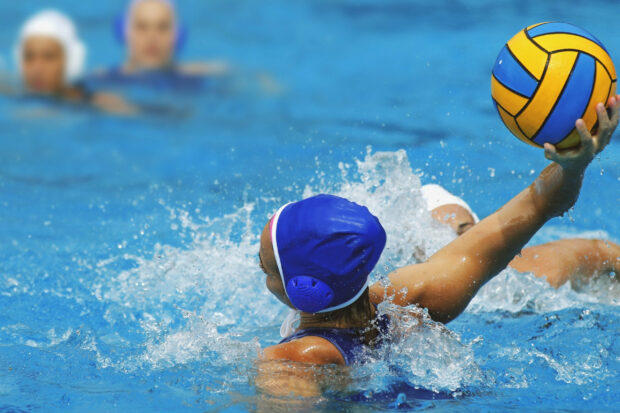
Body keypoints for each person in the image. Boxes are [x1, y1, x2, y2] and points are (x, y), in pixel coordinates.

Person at [255, 96, 620, 397]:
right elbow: (536, 206)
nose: (260, 268)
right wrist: (573, 166)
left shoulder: (293, 361)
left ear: (307, 289)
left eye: (267, 266)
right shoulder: (411, 301)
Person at [421, 184, 620, 288]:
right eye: (436, 239)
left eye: (462, 232)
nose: (450, 245)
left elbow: (601, 249)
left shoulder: (533, 273)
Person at [12, 10, 136, 115]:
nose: (37, 69)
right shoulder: (13, 93)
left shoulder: (96, 102)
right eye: (29, 57)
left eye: (48, 57)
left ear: (70, 62)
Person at [100, 0, 228, 81]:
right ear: (126, 33)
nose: (152, 38)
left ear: (177, 35)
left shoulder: (197, 76)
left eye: (162, 27)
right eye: (142, 27)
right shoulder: (103, 81)